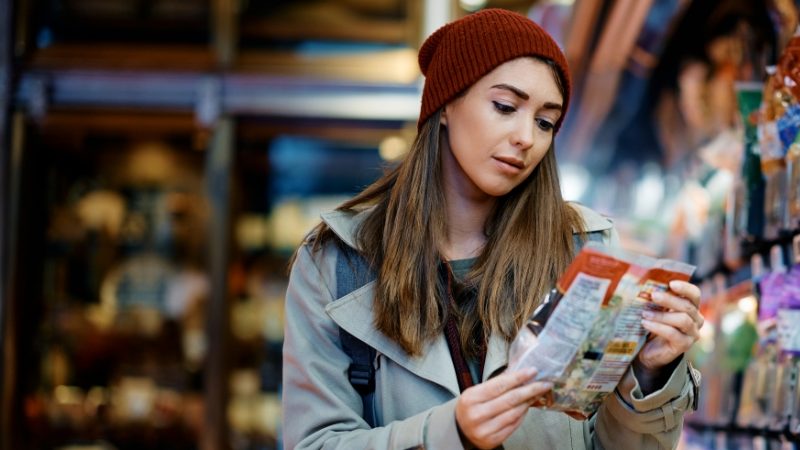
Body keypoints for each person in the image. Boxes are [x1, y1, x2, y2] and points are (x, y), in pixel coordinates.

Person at [282, 9, 703, 450]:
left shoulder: (586, 253)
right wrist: (451, 432)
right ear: (445, 103)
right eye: (505, 107)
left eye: (545, 121)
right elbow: (313, 443)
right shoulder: (338, 262)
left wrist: (651, 375)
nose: (526, 137)